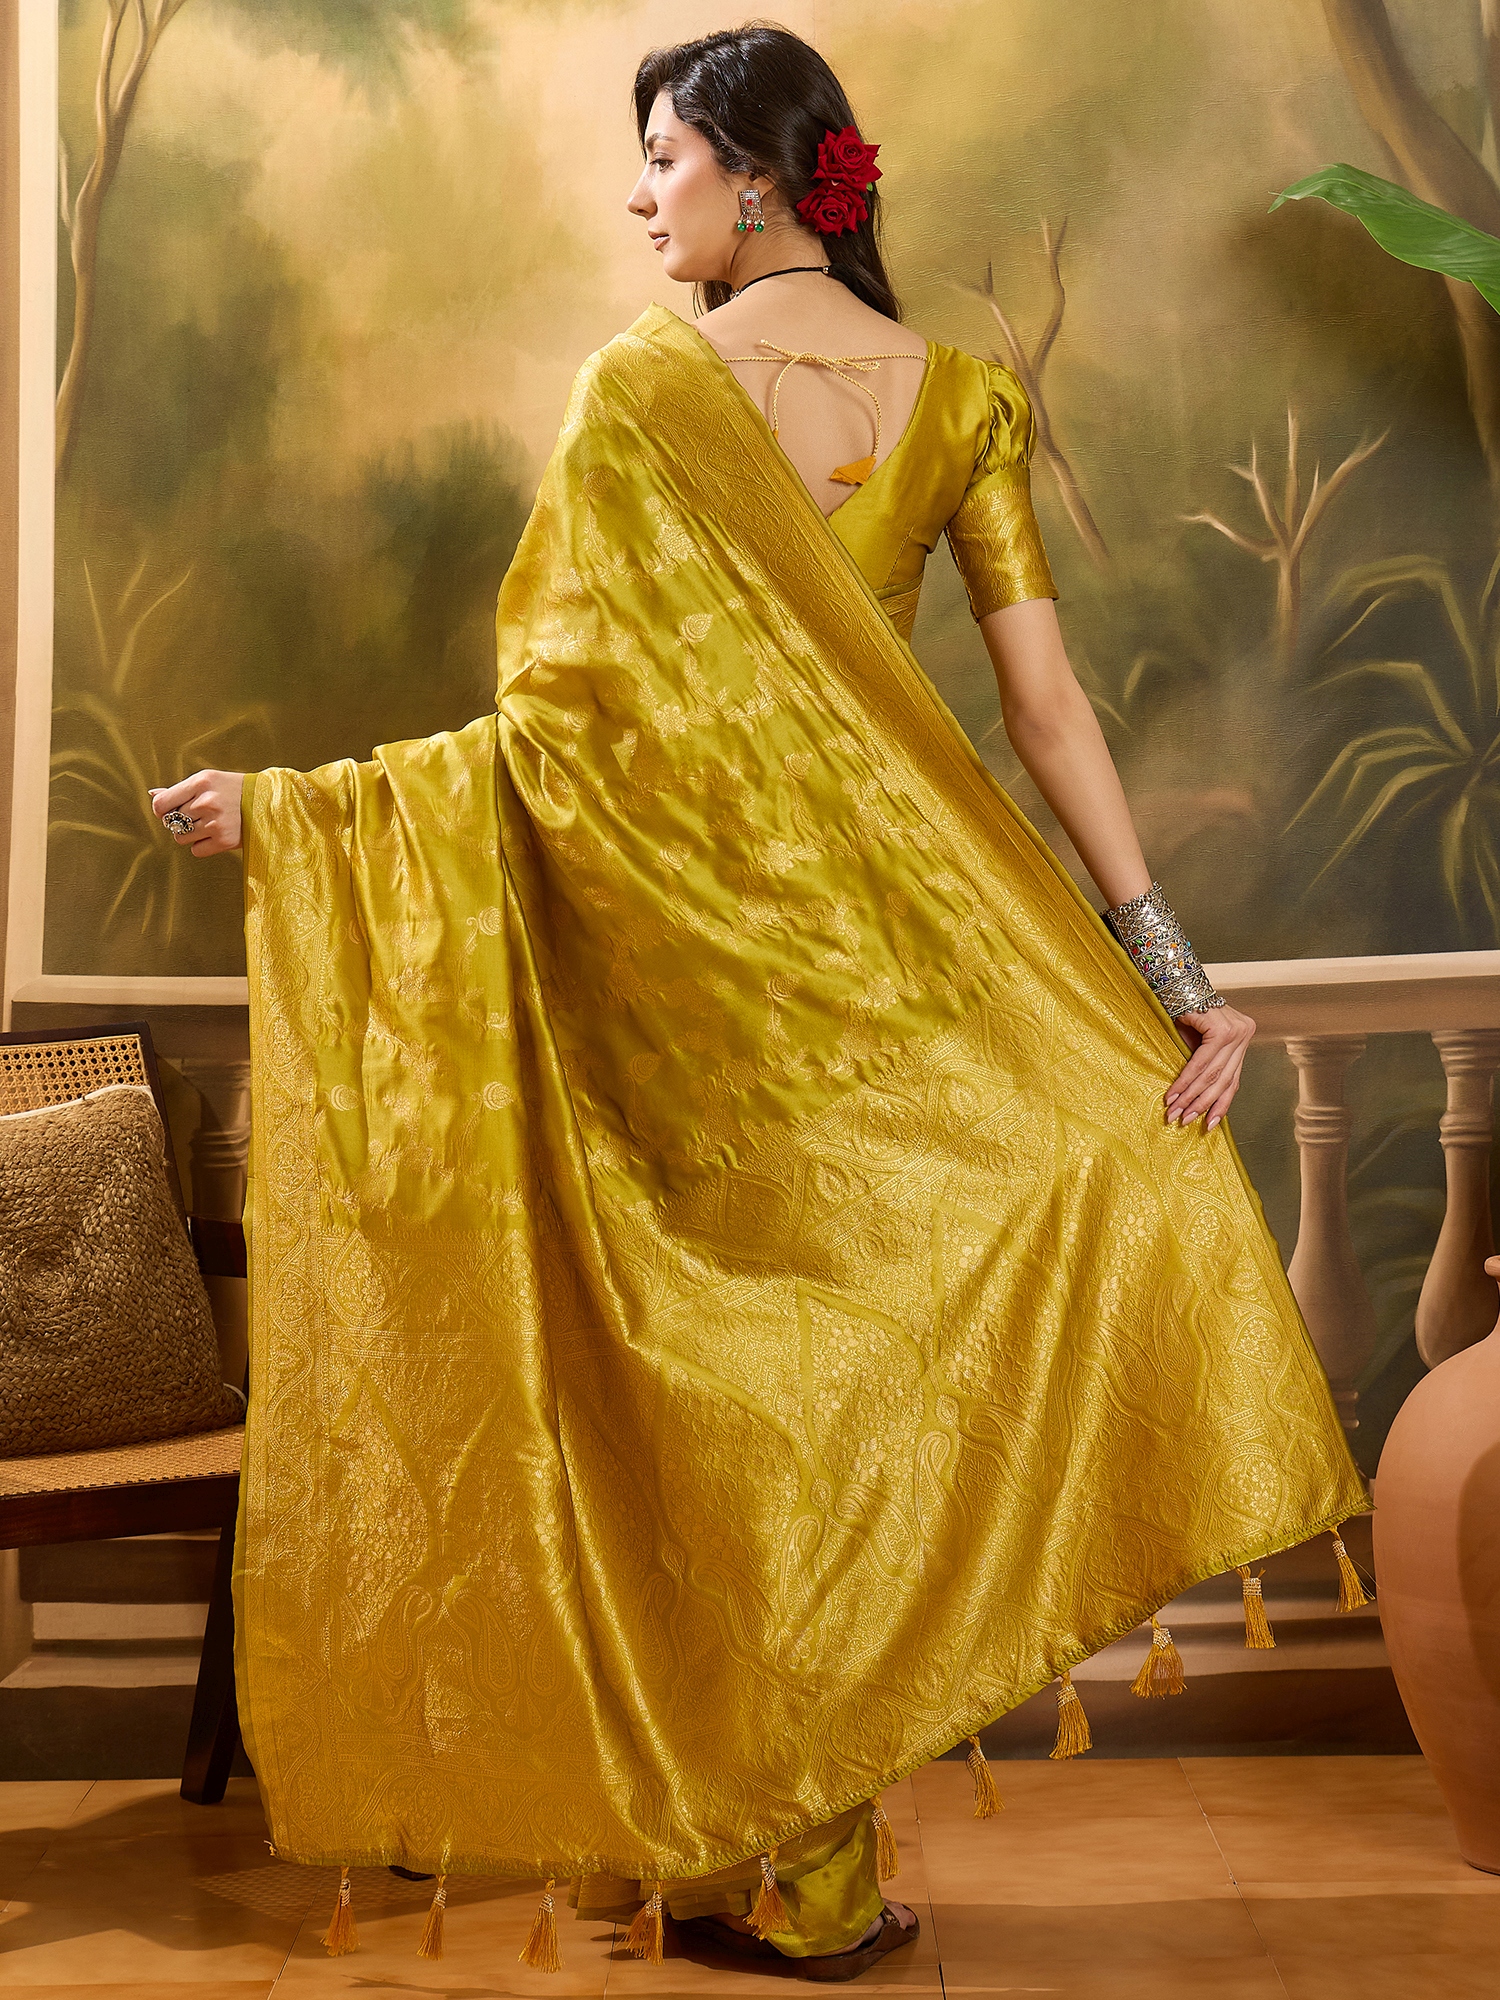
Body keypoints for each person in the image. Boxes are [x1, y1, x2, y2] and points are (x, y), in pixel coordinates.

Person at [150, 24, 1366, 1982]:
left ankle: (758, 1860)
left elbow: (557, 738)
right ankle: (782, 1865)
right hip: (900, 979)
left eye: (661, 157)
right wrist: (1174, 980)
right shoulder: (958, 401)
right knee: (843, 1400)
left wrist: (298, 812)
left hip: (690, 990)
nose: (640, 196)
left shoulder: (638, 393)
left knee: (726, 1413)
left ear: (755, 169)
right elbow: (1047, 711)